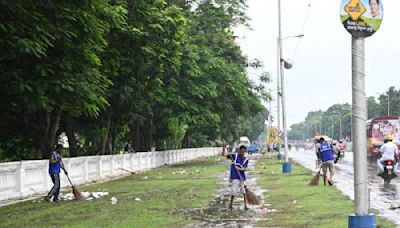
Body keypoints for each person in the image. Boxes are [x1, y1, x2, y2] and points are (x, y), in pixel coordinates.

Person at [221, 144, 249, 210]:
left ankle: (245, 205)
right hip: (235, 177)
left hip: (242, 177)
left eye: (243, 152)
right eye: (241, 151)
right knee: (234, 191)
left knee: (244, 191)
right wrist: (223, 148)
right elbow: (223, 155)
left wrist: (239, 169)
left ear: (245, 152)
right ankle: (230, 204)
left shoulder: (246, 159)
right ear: (239, 150)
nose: (242, 153)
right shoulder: (234, 156)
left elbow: (244, 168)